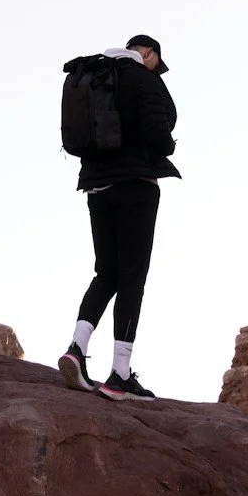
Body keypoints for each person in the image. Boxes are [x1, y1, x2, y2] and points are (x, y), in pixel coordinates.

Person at [58, 34, 177, 400]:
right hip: (136, 186)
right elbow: (160, 133)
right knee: (132, 277)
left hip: (96, 187)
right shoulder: (143, 78)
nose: (157, 68)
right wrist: (168, 146)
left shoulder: (94, 75)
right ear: (147, 53)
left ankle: (76, 348)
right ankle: (119, 373)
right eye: (156, 61)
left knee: (106, 272)